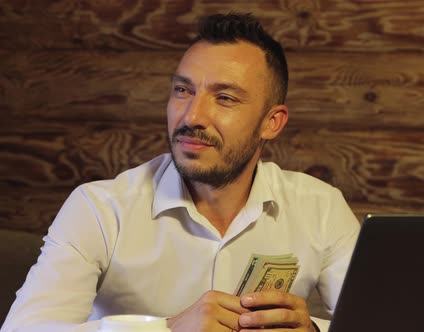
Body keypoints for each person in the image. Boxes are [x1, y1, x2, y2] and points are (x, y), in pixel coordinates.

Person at [1, 13, 360, 332]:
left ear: (272, 122)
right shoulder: (99, 208)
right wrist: (165, 330)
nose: (192, 116)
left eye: (225, 98)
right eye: (183, 90)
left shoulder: (321, 208)